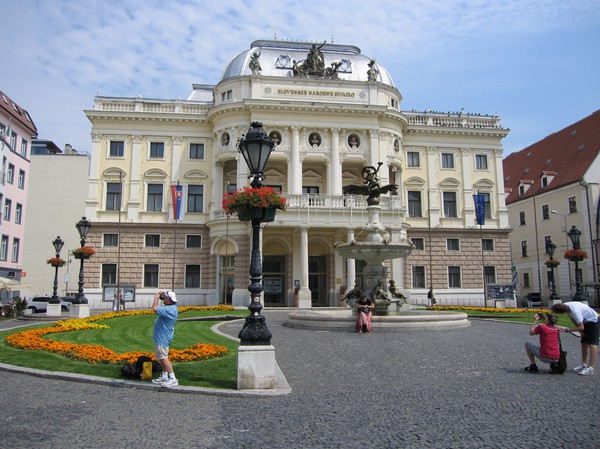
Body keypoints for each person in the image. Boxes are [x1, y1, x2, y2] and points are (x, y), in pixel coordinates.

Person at [552, 302, 599, 376]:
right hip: (585, 321)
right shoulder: (565, 306)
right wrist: (581, 332)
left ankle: (591, 368)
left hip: (593, 321)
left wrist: (567, 330)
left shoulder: (575, 311)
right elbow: (573, 319)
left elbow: (581, 327)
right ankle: (583, 364)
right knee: (584, 342)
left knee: (592, 344)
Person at [151, 290, 179, 387]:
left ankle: (173, 378)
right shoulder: (171, 307)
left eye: (165, 297)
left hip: (163, 337)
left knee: (163, 358)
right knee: (161, 358)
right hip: (161, 337)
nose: (163, 298)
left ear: (169, 299)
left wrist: (156, 298)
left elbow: (154, 308)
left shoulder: (170, 309)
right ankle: (164, 376)